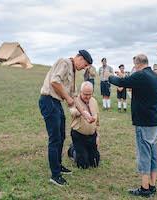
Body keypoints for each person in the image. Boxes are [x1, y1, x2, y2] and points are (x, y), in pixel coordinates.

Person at [108, 54, 157, 198]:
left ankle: (144, 189)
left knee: (144, 155)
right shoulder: (154, 75)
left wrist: (110, 76)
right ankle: (152, 185)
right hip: (155, 120)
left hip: (144, 122)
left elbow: (121, 82)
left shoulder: (141, 75)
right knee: (153, 155)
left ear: (137, 64)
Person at [39, 50, 94, 186]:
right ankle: (55, 175)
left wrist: (85, 113)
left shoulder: (73, 72)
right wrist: (68, 98)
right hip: (48, 100)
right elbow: (55, 82)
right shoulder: (65, 62)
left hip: (56, 103)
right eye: (85, 64)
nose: (84, 68)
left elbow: (74, 97)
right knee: (55, 138)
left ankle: (58, 165)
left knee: (62, 136)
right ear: (79, 58)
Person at [67, 81, 100, 169]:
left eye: (90, 94)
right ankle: (72, 150)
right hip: (78, 135)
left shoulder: (94, 101)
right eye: (85, 94)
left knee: (95, 162)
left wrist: (98, 135)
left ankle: (86, 151)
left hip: (92, 136)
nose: (88, 97)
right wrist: (82, 112)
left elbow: (97, 119)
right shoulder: (75, 100)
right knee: (83, 165)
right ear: (80, 92)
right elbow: (72, 112)